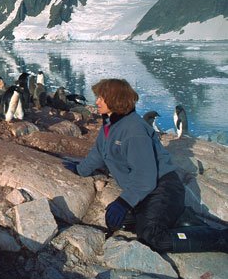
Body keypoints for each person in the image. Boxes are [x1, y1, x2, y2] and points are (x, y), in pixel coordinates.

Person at [63, 78, 227, 253]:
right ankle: (180, 218)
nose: (97, 102)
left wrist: (124, 202)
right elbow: (99, 153)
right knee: (119, 222)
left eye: (101, 98)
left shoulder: (134, 131)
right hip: (144, 191)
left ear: (115, 100)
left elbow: (146, 177)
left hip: (162, 188)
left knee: (153, 237)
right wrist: (80, 170)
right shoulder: (110, 124)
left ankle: (220, 238)